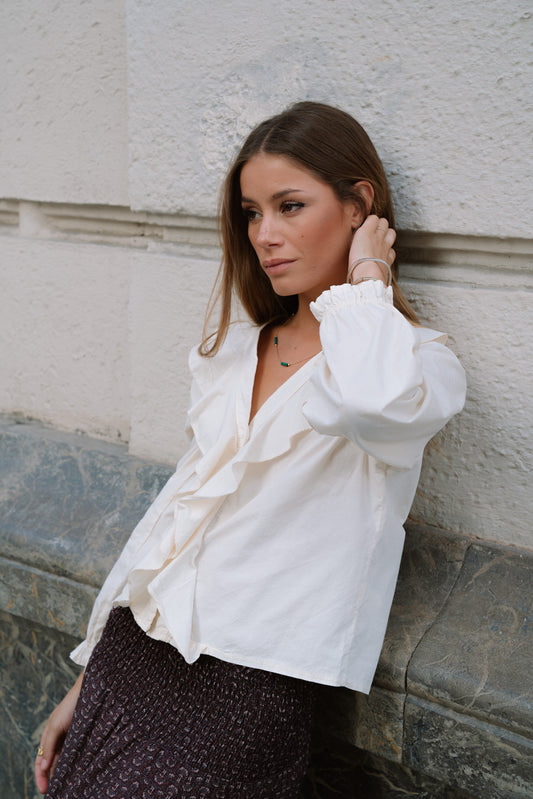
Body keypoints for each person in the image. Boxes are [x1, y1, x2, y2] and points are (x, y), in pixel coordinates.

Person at [35, 101, 466, 798]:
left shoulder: (417, 365)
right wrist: (85, 682)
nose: (265, 235)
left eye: (290, 206)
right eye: (251, 212)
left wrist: (369, 280)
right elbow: (173, 525)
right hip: (132, 660)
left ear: (360, 205)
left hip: (246, 689)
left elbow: (369, 403)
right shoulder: (234, 352)